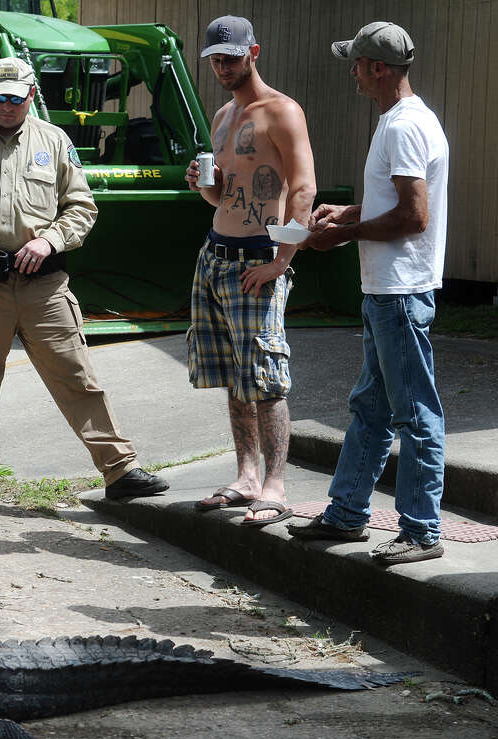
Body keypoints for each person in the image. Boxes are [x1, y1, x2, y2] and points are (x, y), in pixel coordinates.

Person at [0, 57, 167, 516]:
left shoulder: (54, 142)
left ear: (31, 95)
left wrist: (51, 241)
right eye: (0, 99)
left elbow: (82, 208)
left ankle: (119, 471)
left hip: (44, 286)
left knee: (78, 379)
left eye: (17, 98)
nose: (8, 106)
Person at [288, 22, 448, 564]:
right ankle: (346, 514)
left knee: (414, 412)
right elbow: (396, 205)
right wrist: (350, 212)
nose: (352, 73)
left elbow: (413, 216)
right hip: (388, 290)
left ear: (378, 67)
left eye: (356, 64)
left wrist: (343, 233)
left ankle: (423, 530)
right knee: (372, 409)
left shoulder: (403, 127)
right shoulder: (402, 120)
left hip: (399, 291)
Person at [184, 15, 316, 527]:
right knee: (233, 377)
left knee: (265, 377)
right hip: (216, 257)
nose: (222, 67)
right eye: (216, 59)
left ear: (254, 52)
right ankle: (246, 476)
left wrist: (281, 261)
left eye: (232, 58)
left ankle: (277, 486)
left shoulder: (281, 112)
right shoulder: (222, 116)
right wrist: (202, 184)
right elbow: (223, 194)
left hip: (260, 258)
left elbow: (303, 187)